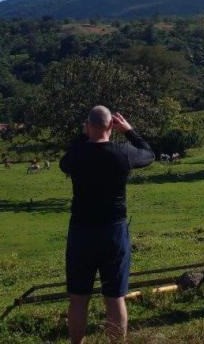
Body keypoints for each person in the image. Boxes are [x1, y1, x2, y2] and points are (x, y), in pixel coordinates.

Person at [59, 106, 154, 343]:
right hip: (113, 230)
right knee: (114, 298)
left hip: (81, 231)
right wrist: (130, 131)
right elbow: (149, 154)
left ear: (88, 125)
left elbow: (64, 162)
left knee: (79, 298)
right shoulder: (123, 153)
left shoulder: (78, 154)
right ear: (111, 126)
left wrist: (84, 135)